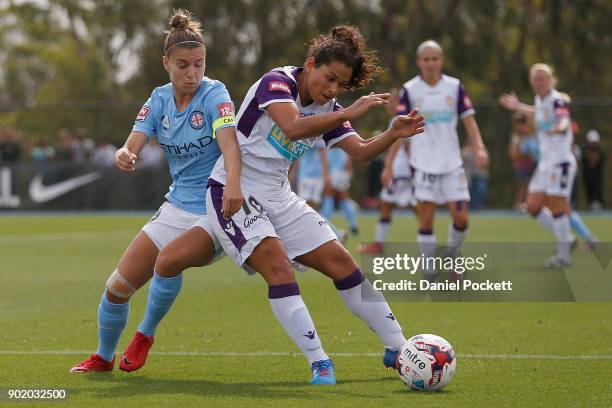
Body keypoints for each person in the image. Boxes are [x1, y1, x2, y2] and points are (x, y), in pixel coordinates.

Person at [125, 25, 425, 385]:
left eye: (341, 85)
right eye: (328, 78)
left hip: (278, 194)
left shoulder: (328, 106)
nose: (332, 90)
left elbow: (359, 152)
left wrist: (392, 133)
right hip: (232, 191)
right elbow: (294, 126)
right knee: (278, 268)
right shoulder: (277, 82)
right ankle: (320, 362)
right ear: (310, 64)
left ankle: (399, 348)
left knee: (342, 263)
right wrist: (353, 110)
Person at [70, 9, 242, 373]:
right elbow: (134, 140)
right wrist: (125, 152)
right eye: (183, 65)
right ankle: (103, 357)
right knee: (116, 288)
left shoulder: (216, 94)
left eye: (199, 64)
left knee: (167, 262)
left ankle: (144, 335)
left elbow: (230, 145)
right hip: (176, 205)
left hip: (213, 207)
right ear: (166, 62)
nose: (192, 73)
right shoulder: (159, 98)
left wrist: (234, 186)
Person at [398, 40, 488, 277]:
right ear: (419, 62)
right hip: (423, 163)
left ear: (442, 61)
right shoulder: (409, 90)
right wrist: (391, 163)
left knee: (461, 216)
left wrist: (480, 148)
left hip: (452, 164)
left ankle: (452, 254)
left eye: (434, 58)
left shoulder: (454, 87)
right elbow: (399, 129)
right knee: (426, 219)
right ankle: (429, 269)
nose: (430, 63)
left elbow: (469, 120)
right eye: (426, 59)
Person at [499, 63, 581, 267]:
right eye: (535, 78)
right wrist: (518, 106)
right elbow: (538, 112)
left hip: (560, 162)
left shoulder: (557, 99)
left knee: (557, 205)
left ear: (551, 80)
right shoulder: (540, 100)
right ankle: (568, 239)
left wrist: (560, 127)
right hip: (545, 164)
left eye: (542, 78)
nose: (538, 82)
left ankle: (563, 257)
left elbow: (563, 119)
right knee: (533, 206)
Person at [358, 89, 415, 254]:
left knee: (414, 207)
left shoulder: (399, 119)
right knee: (386, 205)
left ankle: (378, 244)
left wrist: (389, 167)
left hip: (400, 171)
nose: (387, 105)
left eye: (391, 101)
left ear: (399, 102)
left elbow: (402, 145)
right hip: (404, 171)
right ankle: (378, 244)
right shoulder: (403, 119)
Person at [320, 147, 359, 235]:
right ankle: (353, 224)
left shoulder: (328, 136)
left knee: (329, 196)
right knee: (344, 198)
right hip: (343, 172)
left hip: (335, 171)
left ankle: (325, 225)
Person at [508, 112, 538, 210]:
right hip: (522, 164)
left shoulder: (532, 134)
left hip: (533, 163)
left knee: (531, 184)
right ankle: (518, 203)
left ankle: (528, 203)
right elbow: (513, 153)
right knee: (523, 183)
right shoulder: (516, 137)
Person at [582, 129, 605, 210]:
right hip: (588, 175)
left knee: (597, 188)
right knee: (589, 189)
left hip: (597, 175)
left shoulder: (600, 150)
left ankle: (598, 203)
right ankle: (591, 203)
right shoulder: (584, 149)